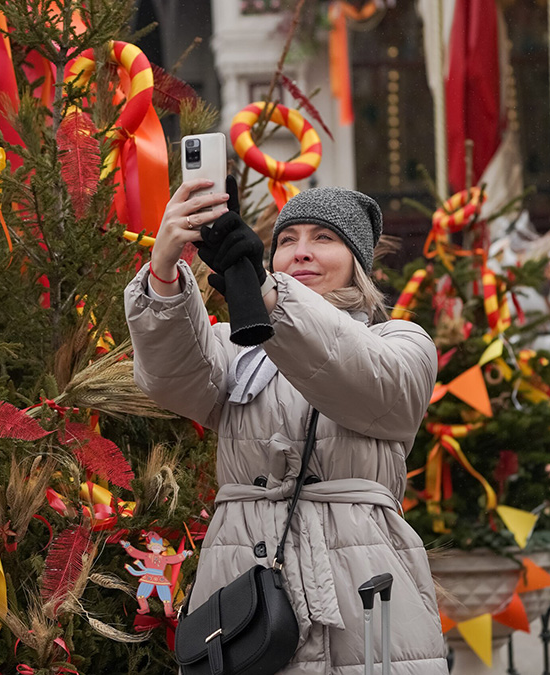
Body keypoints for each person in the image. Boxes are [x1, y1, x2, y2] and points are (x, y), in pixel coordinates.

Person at [124, 180, 446, 674]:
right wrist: (165, 271)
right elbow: (172, 380)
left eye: (323, 238)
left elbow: (367, 379)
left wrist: (270, 295)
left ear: (356, 259)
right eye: (287, 239)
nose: (301, 252)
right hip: (245, 583)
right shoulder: (236, 348)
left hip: (363, 589)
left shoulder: (400, 341)